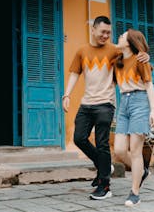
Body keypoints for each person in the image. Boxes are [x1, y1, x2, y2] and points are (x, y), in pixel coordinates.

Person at [63, 16, 148, 200]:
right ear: (93, 30)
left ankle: (105, 186)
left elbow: (133, 54)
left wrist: (145, 55)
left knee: (102, 143)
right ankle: (103, 165)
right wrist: (67, 94)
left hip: (106, 104)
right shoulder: (81, 51)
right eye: (102, 32)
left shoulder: (115, 50)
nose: (106, 36)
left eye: (109, 33)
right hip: (86, 103)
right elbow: (74, 74)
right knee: (79, 138)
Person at [113, 29, 154, 207]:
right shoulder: (117, 60)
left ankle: (135, 193)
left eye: (122, 35)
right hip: (124, 103)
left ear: (130, 41)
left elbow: (149, 85)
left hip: (139, 101)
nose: (119, 36)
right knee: (119, 150)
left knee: (135, 150)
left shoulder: (140, 59)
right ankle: (142, 172)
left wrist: (153, 110)